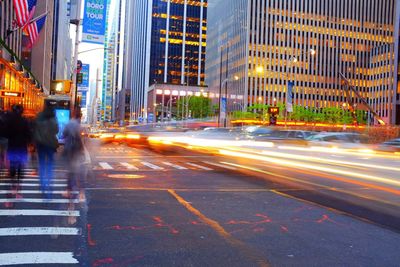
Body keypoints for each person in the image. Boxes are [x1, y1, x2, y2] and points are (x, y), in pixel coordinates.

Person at [3, 105, 31, 203]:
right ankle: (18, 190)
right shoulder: (25, 121)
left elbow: (4, 133)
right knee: (20, 168)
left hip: (12, 147)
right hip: (22, 148)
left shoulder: (9, 121)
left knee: (12, 168)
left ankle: (13, 187)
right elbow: (29, 134)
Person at [62, 111, 85, 224]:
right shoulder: (79, 126)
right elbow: (81, 140)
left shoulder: (69, 124)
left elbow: (63, 134)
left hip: (68, 151)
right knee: (77, 173)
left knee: (70, 173)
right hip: (76, 152)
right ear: (79, 117)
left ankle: (69, 191)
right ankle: (78, 193)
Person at [34, 104, 59, 198]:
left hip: (41, 145)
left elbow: (35, 130)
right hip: (50, 145)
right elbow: (56, 131)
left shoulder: (39, 117)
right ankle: (48, 185)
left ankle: (43, 185)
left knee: (42, 166)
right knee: (49, 166)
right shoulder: (53, 119)